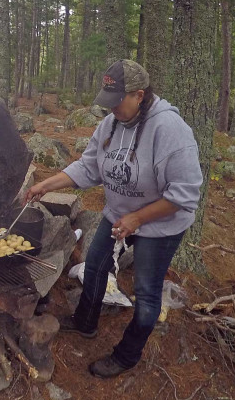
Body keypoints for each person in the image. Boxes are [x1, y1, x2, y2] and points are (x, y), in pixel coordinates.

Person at [25, 59, 203, 378]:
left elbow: (185, 194)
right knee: (95, 266)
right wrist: (45, 184)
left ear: (139, 94)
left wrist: (138, 218)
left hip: (160, 225)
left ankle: (126, 356)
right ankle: (85, 323)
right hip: (120, 214)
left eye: (117, 101)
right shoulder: (111, 124)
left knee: (147, 294)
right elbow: (88, 166)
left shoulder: (170, 130)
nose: (111, 109)